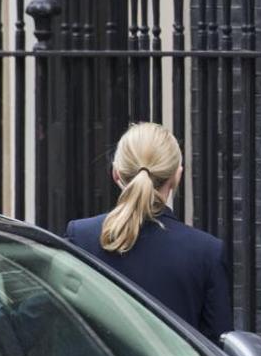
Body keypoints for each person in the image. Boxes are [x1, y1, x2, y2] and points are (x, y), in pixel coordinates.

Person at [65, 122, 233, 342]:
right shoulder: (207, 253)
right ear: (177, 176)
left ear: (116, 174)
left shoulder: (81, 236)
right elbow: (219, 348)